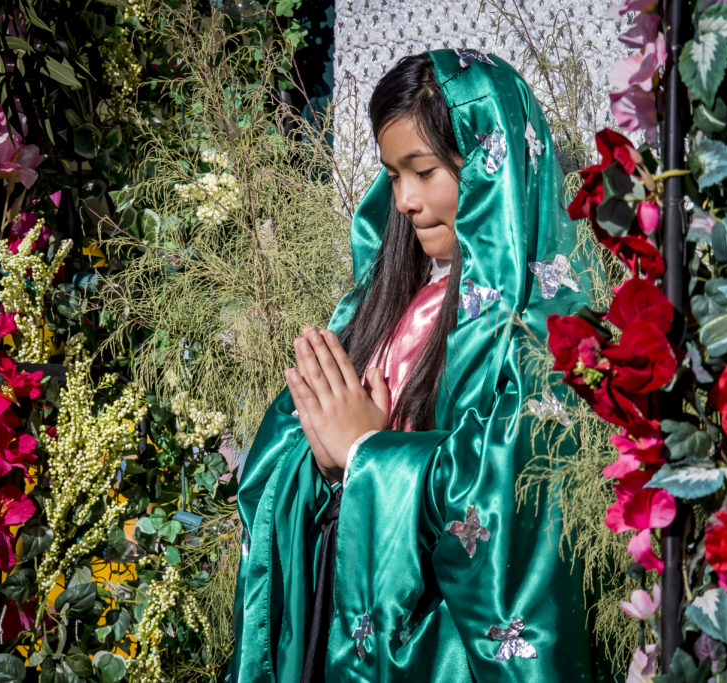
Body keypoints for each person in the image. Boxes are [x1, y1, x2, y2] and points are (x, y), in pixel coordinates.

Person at [231, 49, 606, 681]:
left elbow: (509, 495)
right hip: (346, 616)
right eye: (392, 174)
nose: (404, 199)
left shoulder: (546, 327)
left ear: (494, 165)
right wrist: (320, 457)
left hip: (444, 651)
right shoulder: (382, 303)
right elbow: (295, 458)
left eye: (425, 171)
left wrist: (368, 454)